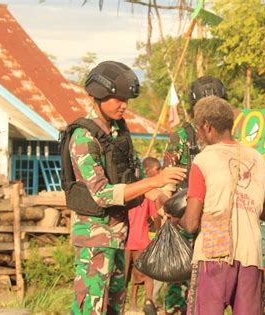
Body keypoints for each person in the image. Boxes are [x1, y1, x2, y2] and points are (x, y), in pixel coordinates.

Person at [60, 61, 186, 315]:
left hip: (119, 236)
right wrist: (155, 180)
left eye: (126, 99)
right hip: (95, 240)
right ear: (98, 95)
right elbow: (103, 194)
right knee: (91, 309)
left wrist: (158, 197)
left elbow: (132, 181)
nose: (124, 105)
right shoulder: (84, 138)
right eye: (117, 98)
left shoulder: (119, 132)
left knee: (115, 307)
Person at [180, 96, 265, 315]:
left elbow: (192, 223)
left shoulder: (203, 160)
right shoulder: (257, 158)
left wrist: (178, 218)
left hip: (213, 255)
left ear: (207, 127)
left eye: (198, 128)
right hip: (251, 254)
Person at [161, 75, 228, 315]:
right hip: (184, 220)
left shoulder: (228, 140)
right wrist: (169, 211)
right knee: (179, 281)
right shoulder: (181, 138)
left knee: (211, 283)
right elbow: (166, 183)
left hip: (216, 222)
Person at [125, 157, 162, 315]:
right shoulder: (147, 193)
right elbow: (155, 217)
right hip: (142, 241)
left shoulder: (127, 192)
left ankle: (128, 304)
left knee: (125, 275)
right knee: (147, 274)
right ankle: (148, 300)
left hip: (126, 242)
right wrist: (159, 233)